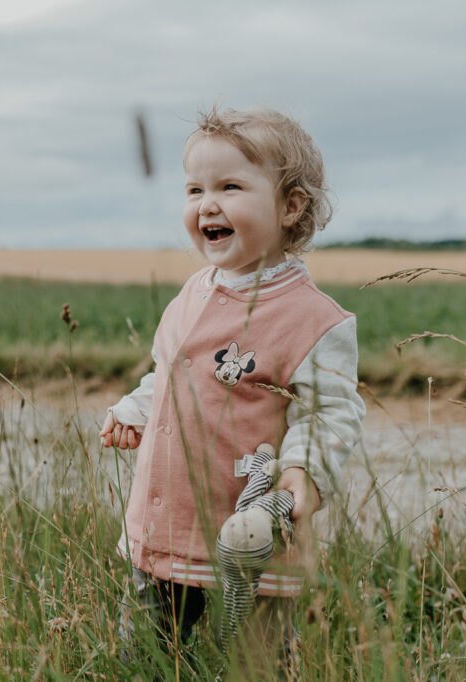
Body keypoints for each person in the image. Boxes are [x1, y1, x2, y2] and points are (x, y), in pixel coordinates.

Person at [100, 107, 365, 673]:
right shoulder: (192, 292)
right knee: (145, 658)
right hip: (165, 531)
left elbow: (330, 417)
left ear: (291, 206)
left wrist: (302, 480)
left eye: (230, 186)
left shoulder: (313, 320)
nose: (206, 204)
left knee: (257, 663)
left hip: (251, 541)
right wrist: (136, 409)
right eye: (194, 188)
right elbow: (169, 374)